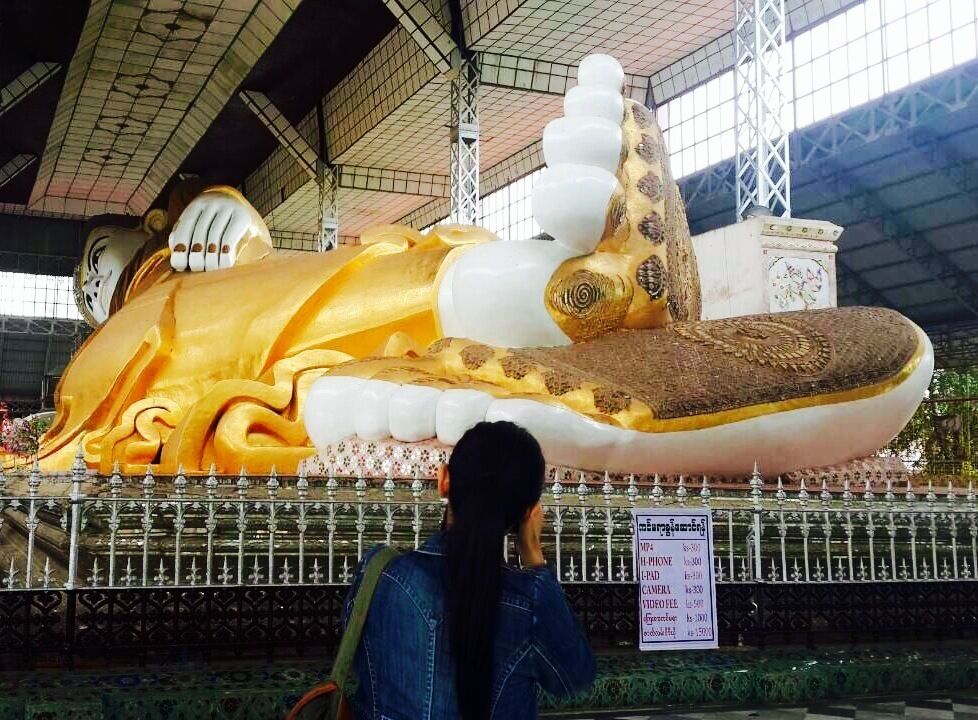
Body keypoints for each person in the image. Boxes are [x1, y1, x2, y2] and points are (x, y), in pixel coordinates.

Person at [341, 421, 596, 719]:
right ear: (529, 513)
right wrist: (534, 556)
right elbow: (575, 678)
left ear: (443, 480)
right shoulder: (529, 605)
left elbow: (358, 658)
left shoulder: (379, 575)